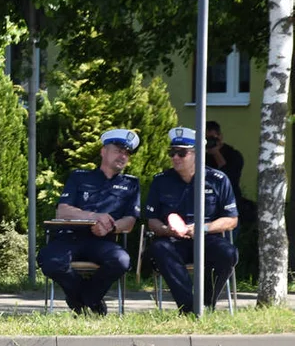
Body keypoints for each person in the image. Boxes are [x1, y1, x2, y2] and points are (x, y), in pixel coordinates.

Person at [37, 129, 141, 315]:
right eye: (118, 150)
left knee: (121, 260)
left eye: (126, 153)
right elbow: (62, 211)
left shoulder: (131, 184)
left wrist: (112, 226)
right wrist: (94, 217)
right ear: (103, 152)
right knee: (51, 261)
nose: (123, 156)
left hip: (103, 240)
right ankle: (89, 300)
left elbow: (130, 220)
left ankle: (85, 299)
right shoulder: (80, 177)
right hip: (70, 237)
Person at [145, 127, 239, 314]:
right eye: (172, 153)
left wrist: (202, 228)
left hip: (207, 237)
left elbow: (231, 219)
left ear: (197, 154)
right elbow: (152, 221)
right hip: (173, 240)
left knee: (228, 253)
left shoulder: (218, 179)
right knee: (158, 248)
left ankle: (206, 303)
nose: (175, 158)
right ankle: (188, 307)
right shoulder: (161, 181)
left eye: (181, 153)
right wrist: (168, 229)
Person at [204, 120, 244, 201]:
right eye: (207, 139)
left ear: (220, 137)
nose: (210, 142)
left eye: (212, 138)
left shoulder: (233, 155)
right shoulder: (201, 156)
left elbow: (230, 177)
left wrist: (216, 154)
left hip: (229, 197)